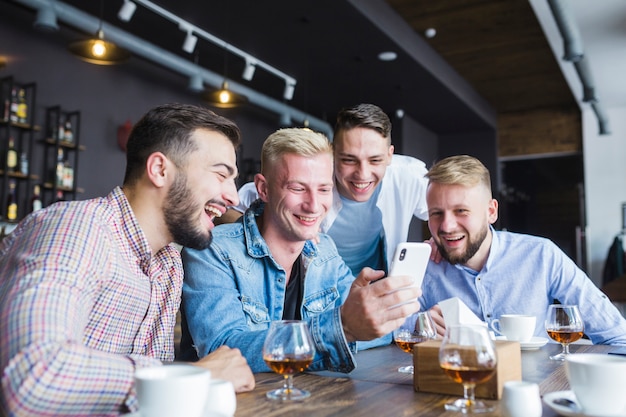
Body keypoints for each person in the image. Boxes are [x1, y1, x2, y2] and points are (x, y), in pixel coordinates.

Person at [0, 103, 255, 416]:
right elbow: (33, 380)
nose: (233, 196)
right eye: (221, 174)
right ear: (160, 170)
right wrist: (196, 376)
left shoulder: (168, 265)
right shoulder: (76, 230)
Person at [179, 128, 421, 372]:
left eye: (324, 189)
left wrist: (379, 314)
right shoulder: (211, 250)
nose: (314, 205)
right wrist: (342, 328)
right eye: (297, 188)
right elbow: (222, 351)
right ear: (263, 189)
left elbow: (377, 330)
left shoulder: (324, 250)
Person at [419, 154, 626, 344]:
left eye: (461, 211)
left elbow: (616, 334)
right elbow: (395, 332)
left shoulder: (542, 255)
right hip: (456, 381)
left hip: (537, 382)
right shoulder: (423, 266)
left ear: (491, 212)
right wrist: (421, 324)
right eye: (436, 213)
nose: (446, 226)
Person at [231, 103, 430, 276]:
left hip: (375, 289)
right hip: (321, 293)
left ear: (389, 155)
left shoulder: (408, 175)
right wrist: (280, 231)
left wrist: (440, 242)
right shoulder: (314, 176)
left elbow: (450, 208)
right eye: (349, 160)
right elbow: (229, 210)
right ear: (334, 154)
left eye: (375, 160)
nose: (362, 174)